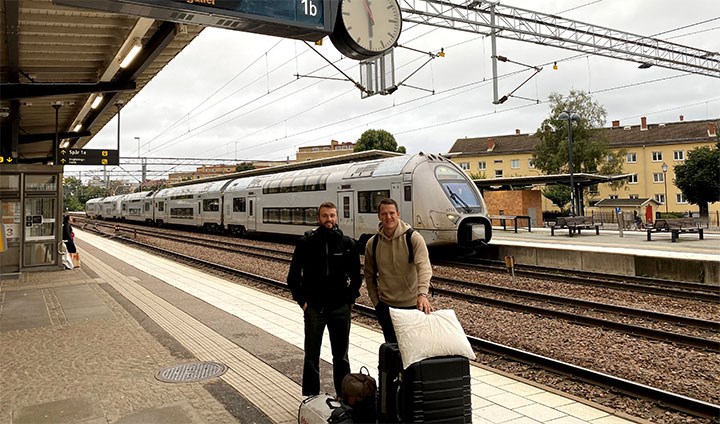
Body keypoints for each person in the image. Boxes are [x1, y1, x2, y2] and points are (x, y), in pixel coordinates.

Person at [287, 202, 362, 397]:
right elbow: (293, 277)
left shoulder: (347, 244)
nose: (329, 220)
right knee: (312, 356)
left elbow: (357, 277)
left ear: (336, 217)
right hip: (315, 308)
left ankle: (345, 396)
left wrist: (349, 301)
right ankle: (311, 396)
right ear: (318, 218)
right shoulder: (306, 243)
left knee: (341, 356)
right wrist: (303, 302)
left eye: (332, 216)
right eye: (325, 216)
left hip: (340, 309)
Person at [364, 198, 433, 343]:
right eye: (384, 214)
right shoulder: (373, 243)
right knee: (392, 351)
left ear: (398, 214)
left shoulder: (413, 238)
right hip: (387, 308)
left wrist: (422, 294)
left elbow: (424, 268)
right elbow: (369, 275)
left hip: (413, 306)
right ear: (379, 216)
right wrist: (376, 302)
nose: (388, 217)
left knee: (415, 350)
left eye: (392, 213)